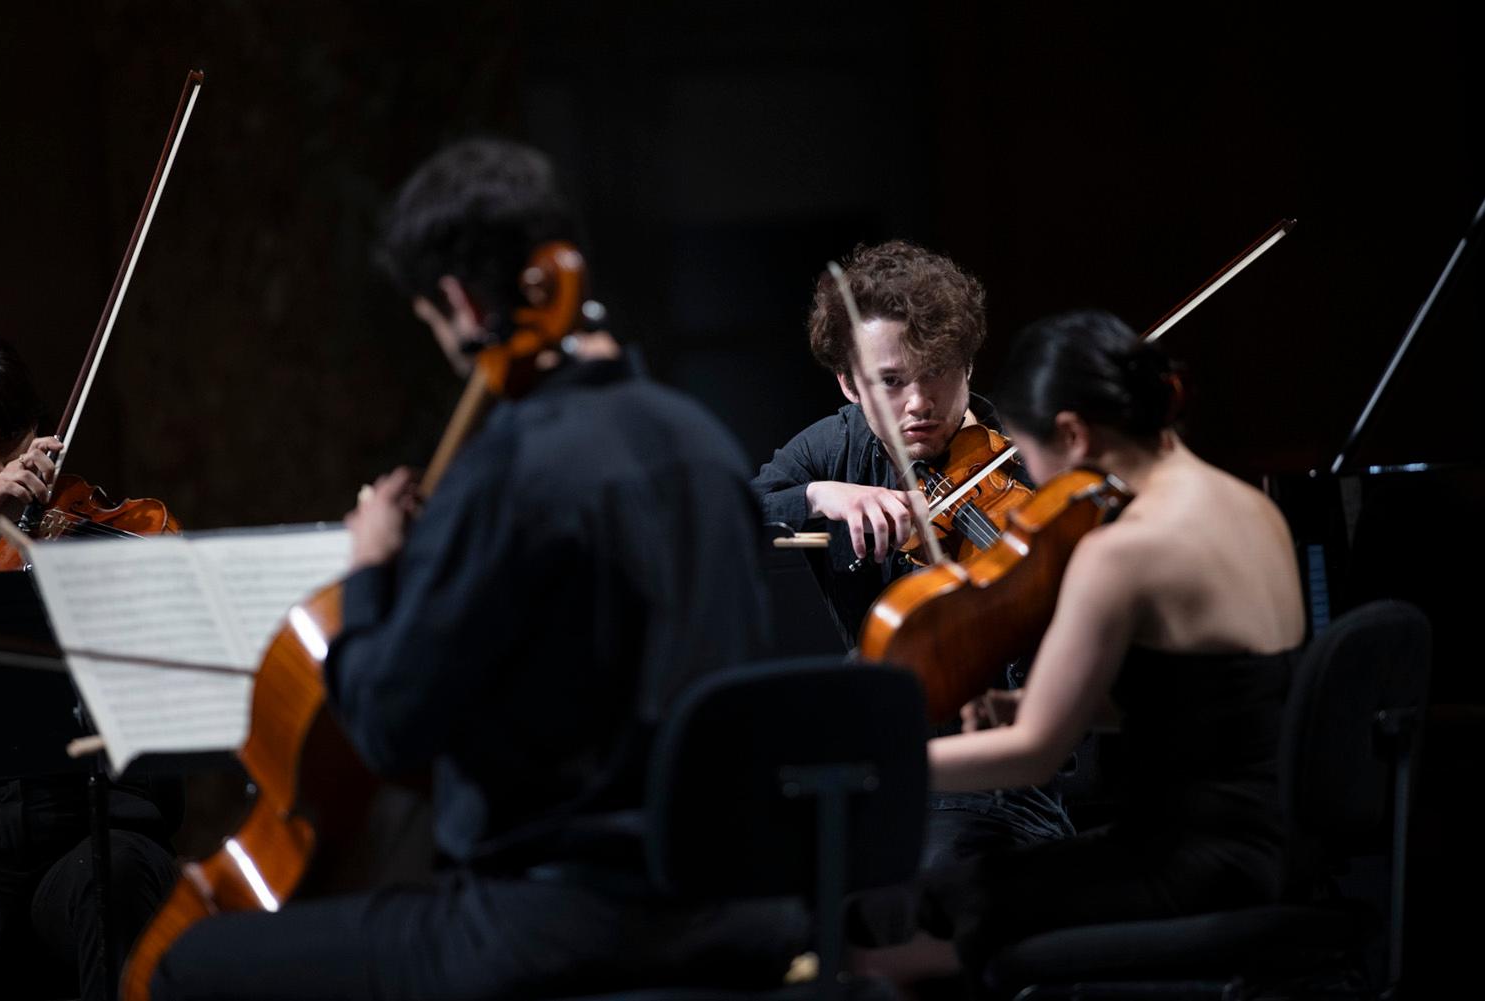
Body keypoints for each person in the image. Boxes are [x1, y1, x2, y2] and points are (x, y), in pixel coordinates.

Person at [150, 136, 800, 1001]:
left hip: (557, 919)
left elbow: (389, 727)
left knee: (186, 966)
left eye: (429, 321)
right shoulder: (704, 442)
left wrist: (375, 564)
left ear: (456, 300)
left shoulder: (510, 467)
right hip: (732, 903)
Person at [862, 309, 1305, 982]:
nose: (1032, 477)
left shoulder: (1123, 549)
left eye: (1028, 453)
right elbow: (1207, 701)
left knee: (900, 919)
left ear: (1071, 435)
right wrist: (1027, 701)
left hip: (1184, 863)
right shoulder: (1255, 507)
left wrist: (874, 761)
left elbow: (1034, 755)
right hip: (1270, 850)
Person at [750, 242, 1074, 942]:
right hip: (865, 768)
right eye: (891, 381)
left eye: (937, 375)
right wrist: (816, 494)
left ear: (968, 367)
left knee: (912, 898)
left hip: (994, 782)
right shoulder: (833, 448)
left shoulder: (1026, 468)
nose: (919, 403)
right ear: (849, 384)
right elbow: (735, 510)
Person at [0, 331, 179, 1001]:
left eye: (13, 452)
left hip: (90, 828)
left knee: (114, 876)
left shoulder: (116, 531)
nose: (9, 481)